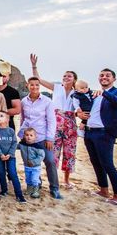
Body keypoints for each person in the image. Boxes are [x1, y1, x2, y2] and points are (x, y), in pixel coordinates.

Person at [77, 68, 117, 205]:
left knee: (108, 164)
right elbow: (86, 107)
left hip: (104, 133)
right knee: (95, 162)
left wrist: (105, 93)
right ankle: (103, 190)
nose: (104, 77)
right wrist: (78, 114)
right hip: (89, 132)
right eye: (101, 75)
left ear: (114, 79)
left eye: (108, 75)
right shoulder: (94, 94)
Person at [30, 54, 78, 189]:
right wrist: (34, 66)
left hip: (71, 124)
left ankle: (67, 180)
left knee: (69, 152)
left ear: (74, 80)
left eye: (69, 76)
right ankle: (53, 179)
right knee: (53, 151)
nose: (66, 78)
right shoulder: (57, 87)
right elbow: (38, 80)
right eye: (64, 76)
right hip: (55, 121)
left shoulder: (77, 92)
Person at [18, 77, 61, 199]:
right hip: (27, 138)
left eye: (37, 85)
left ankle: (54, 188)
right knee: (31, 163)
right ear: (28, 86)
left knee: (50, 161)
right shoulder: (24, 101)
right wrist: (22, 134)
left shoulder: (47, 101)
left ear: (39, 86)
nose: (34, 87)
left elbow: (51, 121)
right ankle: (37, 184)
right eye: (32, 85)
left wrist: (50, 138)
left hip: (42, 137)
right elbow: (23, 118)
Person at [0, 111, 26, 202]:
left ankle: (19, 194)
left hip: (11, 157)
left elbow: (14, 143)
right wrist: (1, 154)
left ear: (7, 119)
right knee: (1, 173)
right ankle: (4, 190)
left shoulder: (11, 131)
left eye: (1, 116)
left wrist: (9, 154)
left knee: (13, 174)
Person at [18, 128, 46, 198]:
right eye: (27, 135)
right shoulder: (22, 144)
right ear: (24, 136)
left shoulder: (37, 147)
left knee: (34, 179)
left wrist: (33, 162)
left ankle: (36, 191)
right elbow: (15, 146)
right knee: (28, 178)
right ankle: (29, 189)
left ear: (35, 137)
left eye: (31, 135)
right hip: (26, 166)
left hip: (35, 167)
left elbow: (41, 156)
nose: (29, 137)